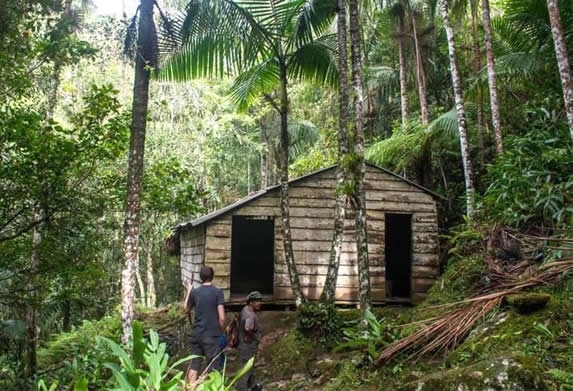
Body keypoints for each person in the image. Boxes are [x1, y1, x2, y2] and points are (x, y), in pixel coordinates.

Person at [183, 266, 225, 385]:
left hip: (197, 334)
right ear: (213, 276)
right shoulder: (218, 292)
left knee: (194, 364)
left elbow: (185, 309)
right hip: (212, 336)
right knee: (213, 367)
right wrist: (222, 331)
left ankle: (191, 387)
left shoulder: (195, 292)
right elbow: (222, 317)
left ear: (200, 278)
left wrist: (189, 291)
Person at [236, 291, 263, 391]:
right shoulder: (250, 315)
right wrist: (251, 337)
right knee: (246, 369)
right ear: (251, 302)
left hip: (244, 345)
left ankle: (253, 386)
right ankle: (241, 388)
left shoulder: (245, 310)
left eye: (260, 301)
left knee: (249, 367)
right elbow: (248, 328)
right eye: (257, 301)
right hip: (248, 346)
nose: (260, 303)